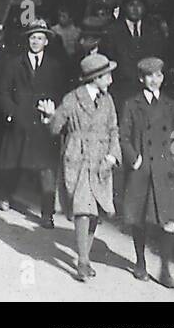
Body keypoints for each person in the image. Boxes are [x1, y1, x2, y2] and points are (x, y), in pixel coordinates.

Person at [42, 52, 122, 283]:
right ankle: (83, 260)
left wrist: (113, 156)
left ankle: (83, 254)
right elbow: (56, 129)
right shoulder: (72, 99)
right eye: (107, 75)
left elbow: (114, 129)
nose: (110, 80)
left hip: (101, 160)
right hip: (77, 157)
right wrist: (50, 116)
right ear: (95, 78)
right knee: (83, 208)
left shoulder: (108, 100)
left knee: (95, 211)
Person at [0, 19, 68, 226]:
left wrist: (53, 111)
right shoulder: (15, 63)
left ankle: (47, 212)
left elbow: (60, 92)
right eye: (33, 38)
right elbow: (2, 92)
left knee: (46, 168)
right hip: (19, 120)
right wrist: (11, 113)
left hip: (43, 123)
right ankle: (5, 195)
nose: (36, 42)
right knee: (12, 162)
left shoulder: (55, 66)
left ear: (46, 41)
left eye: (40, 38)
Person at [118, 57, 174, 288]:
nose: (154, 80)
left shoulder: (170, 105)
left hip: (164, 171)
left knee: (168, 221)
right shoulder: (131, 104)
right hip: (142, 171)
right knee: (139, 219)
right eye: (149, 76)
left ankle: (165, 270)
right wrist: (134, 159)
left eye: (158, 75)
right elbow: (123, 136)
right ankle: (140, 262)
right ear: (141, 78)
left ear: (163, 77)